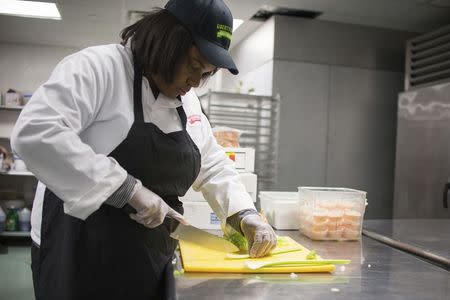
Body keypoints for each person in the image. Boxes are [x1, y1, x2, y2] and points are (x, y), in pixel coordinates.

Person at [11, 0, 277, 299]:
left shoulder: (187, 101)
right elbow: (36, 133)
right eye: (193, 65)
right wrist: (127, 190)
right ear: (166, 41)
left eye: (206, 73)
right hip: (79, 253)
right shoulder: (99, 68)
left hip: (151, 253)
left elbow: (211, 162)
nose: (195, 81)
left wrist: (243, 213)